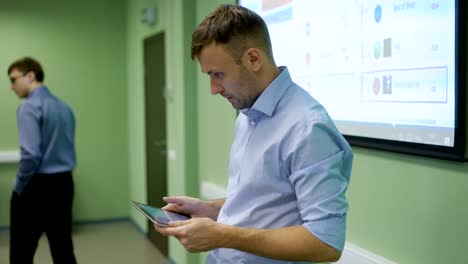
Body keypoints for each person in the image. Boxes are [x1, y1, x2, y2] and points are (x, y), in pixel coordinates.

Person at [155, 4, 353, 263]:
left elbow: (325, 242)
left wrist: (222, 235)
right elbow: (264, 200)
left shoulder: (307, 128)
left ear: (253, 59)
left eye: (219, 75)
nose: (213, 89)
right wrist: (210, 209)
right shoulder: (248, 115)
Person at [7, 57, 77, 263]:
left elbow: (31, 155)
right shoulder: (65, 107)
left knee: (21, 251)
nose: (11, 87)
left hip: (36, 187)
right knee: (63, 247)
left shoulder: (29, 107)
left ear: (30, 76)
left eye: (13, 79)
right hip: (64, 184)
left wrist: (19, 185)